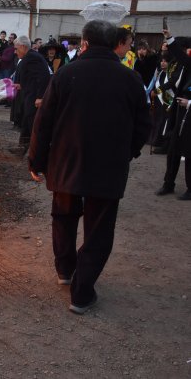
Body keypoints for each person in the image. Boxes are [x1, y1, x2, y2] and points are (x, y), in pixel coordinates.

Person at [28, 20, 151, 314]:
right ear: (115, 44)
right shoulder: (130, 79)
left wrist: (37, 159)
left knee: (64, 217)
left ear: (84, 42)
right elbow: (143, 126)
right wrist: (127, 153)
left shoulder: (65, 74)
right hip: (108, 168)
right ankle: (81, 292)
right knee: (99, 229)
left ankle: (66, 270)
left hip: (66, 163)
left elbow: (42, 123)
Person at [155, 29, 191, 200]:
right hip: (179, 112)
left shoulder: (185, 62)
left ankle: (190, 189)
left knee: (189, 152)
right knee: (173, 150)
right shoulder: (183, 64)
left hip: (189, 113)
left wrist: (190, 103)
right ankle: (168, 183)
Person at [13, 35, 51, 153]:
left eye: (16, 48)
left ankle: (39, 153)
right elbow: (31, 77)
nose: (15, 51)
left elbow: (43, 77)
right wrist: (22, 85)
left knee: (33, 125)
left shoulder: (33, 58)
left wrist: (40, 97)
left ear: (23, 47)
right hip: (29, 95)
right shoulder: (28, 57)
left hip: (35, 97)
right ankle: (21, 149)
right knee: (26, 123)